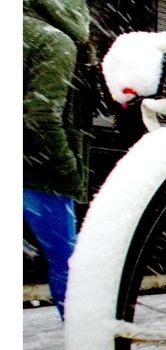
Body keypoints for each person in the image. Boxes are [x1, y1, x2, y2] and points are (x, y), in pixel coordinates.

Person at [23, 0, 92, 320]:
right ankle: (85, 337)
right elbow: (42, 114)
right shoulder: (55, 41)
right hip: (39, 174)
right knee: (68, 264)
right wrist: (67, 166)